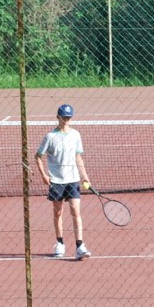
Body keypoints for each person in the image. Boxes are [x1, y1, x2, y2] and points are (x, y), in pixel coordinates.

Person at [35, 103, 92, 259]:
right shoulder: (50, 137)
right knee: (58, 212)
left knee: (76, 211)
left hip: (73, 180)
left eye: (69, 117)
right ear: (58, 117)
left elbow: (78, 157)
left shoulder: (76, 135)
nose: (67, 120)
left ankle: (80, 246)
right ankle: (60, 243)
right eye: (64, 117)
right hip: (56, 181)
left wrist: (84, 176)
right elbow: (38, 156)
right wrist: (44, 176)